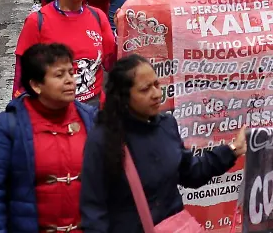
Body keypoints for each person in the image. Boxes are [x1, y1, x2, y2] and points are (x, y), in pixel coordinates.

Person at [79, 54, 245, 231]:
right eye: (145, 89)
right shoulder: (102, 139)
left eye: (157, 85)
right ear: (123, 97)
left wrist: (232, 150)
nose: (157, 94)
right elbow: (93, 210)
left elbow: (191, 172)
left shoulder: (167, 125)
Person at [0, 42, 97, 233]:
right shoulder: (10, 125)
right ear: (36, 85)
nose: (70, 80)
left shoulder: (91, 120)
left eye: (71, 72)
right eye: (59, 75)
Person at [14, 0, 116, 105]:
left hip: (93, 109)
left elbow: (111, 63)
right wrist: (19, 111)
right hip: (53, 109)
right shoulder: (37, 21)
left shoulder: (98, 16)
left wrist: (124, 35)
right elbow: (21, 77)